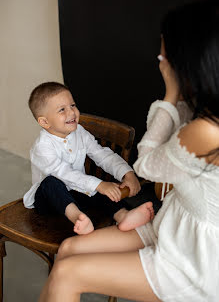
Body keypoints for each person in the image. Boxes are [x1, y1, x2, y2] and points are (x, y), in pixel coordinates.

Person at [38, 0, 219, 302]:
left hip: (196, 259)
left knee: (67, 274)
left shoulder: (206, 130)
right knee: (68, 250)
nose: (160, 58)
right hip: (174, 225)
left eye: (165, 53)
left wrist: (170, 94)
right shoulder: (203, 112)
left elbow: (146, 165)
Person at [23, 82, 154, 235]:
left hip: (77, 191)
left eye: (72, 105)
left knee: (102, 191)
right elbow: (64, 173)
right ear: (45, 122)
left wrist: (127, 174)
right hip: (48, 202)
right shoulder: (42, 147)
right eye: (62, 110)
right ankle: (79, 218)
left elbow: (102, 155)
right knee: (52, 182)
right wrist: (98, 184)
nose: (71, 112)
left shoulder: (79, 132)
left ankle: (123, 215)